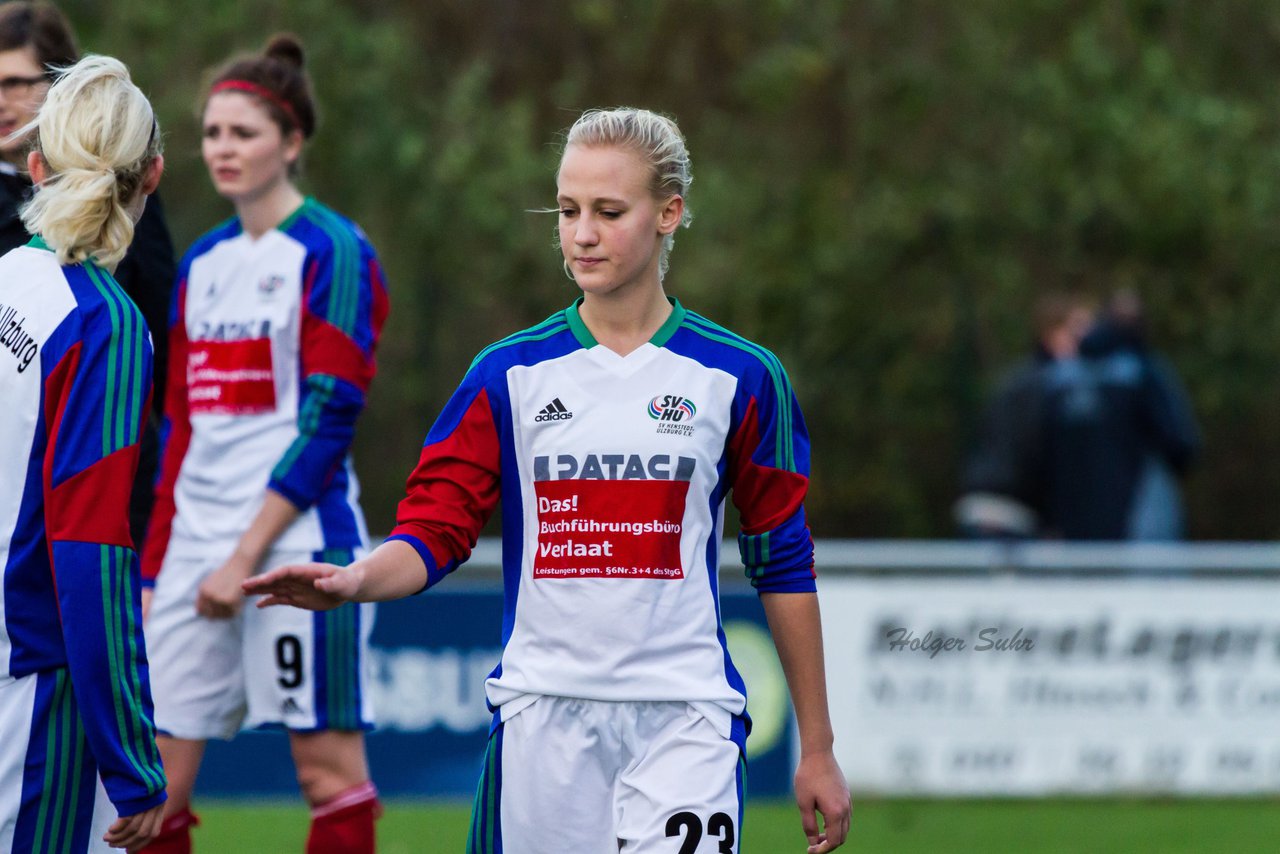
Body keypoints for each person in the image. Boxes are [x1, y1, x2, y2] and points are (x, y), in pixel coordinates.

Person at [246, 107, 851, 854]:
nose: (582, 234)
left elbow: (783, 561)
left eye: (608, 211)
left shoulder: (742, 377)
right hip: (542, 721)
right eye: (567, 211)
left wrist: (817, 747)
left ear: (669, 213)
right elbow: (436, 529)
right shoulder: (508, 374)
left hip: (684, 717)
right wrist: (356, 580)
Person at [139, 35, 388, 854]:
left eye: (243, 132)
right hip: (192, 549)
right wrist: (157, 566)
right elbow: (176, 426)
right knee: (149, 790)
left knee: (327, 775)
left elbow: (328, 418)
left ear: (292, 140)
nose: (223, 149)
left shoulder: (335, 251)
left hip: (298, 541)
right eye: (212, 133)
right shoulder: (201, 263)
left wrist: (243, 554)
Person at [0, 53, 166, 852]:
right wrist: (132, 758)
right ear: (154, 176)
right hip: (32, 688)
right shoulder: (105, 324)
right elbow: (91, 554)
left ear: (34, 166)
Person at [0, 0, 177, 547]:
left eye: (14, 81)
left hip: (110, 497)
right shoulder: (20, 267)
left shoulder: (113, 315)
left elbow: (164, 353)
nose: (2, 100)